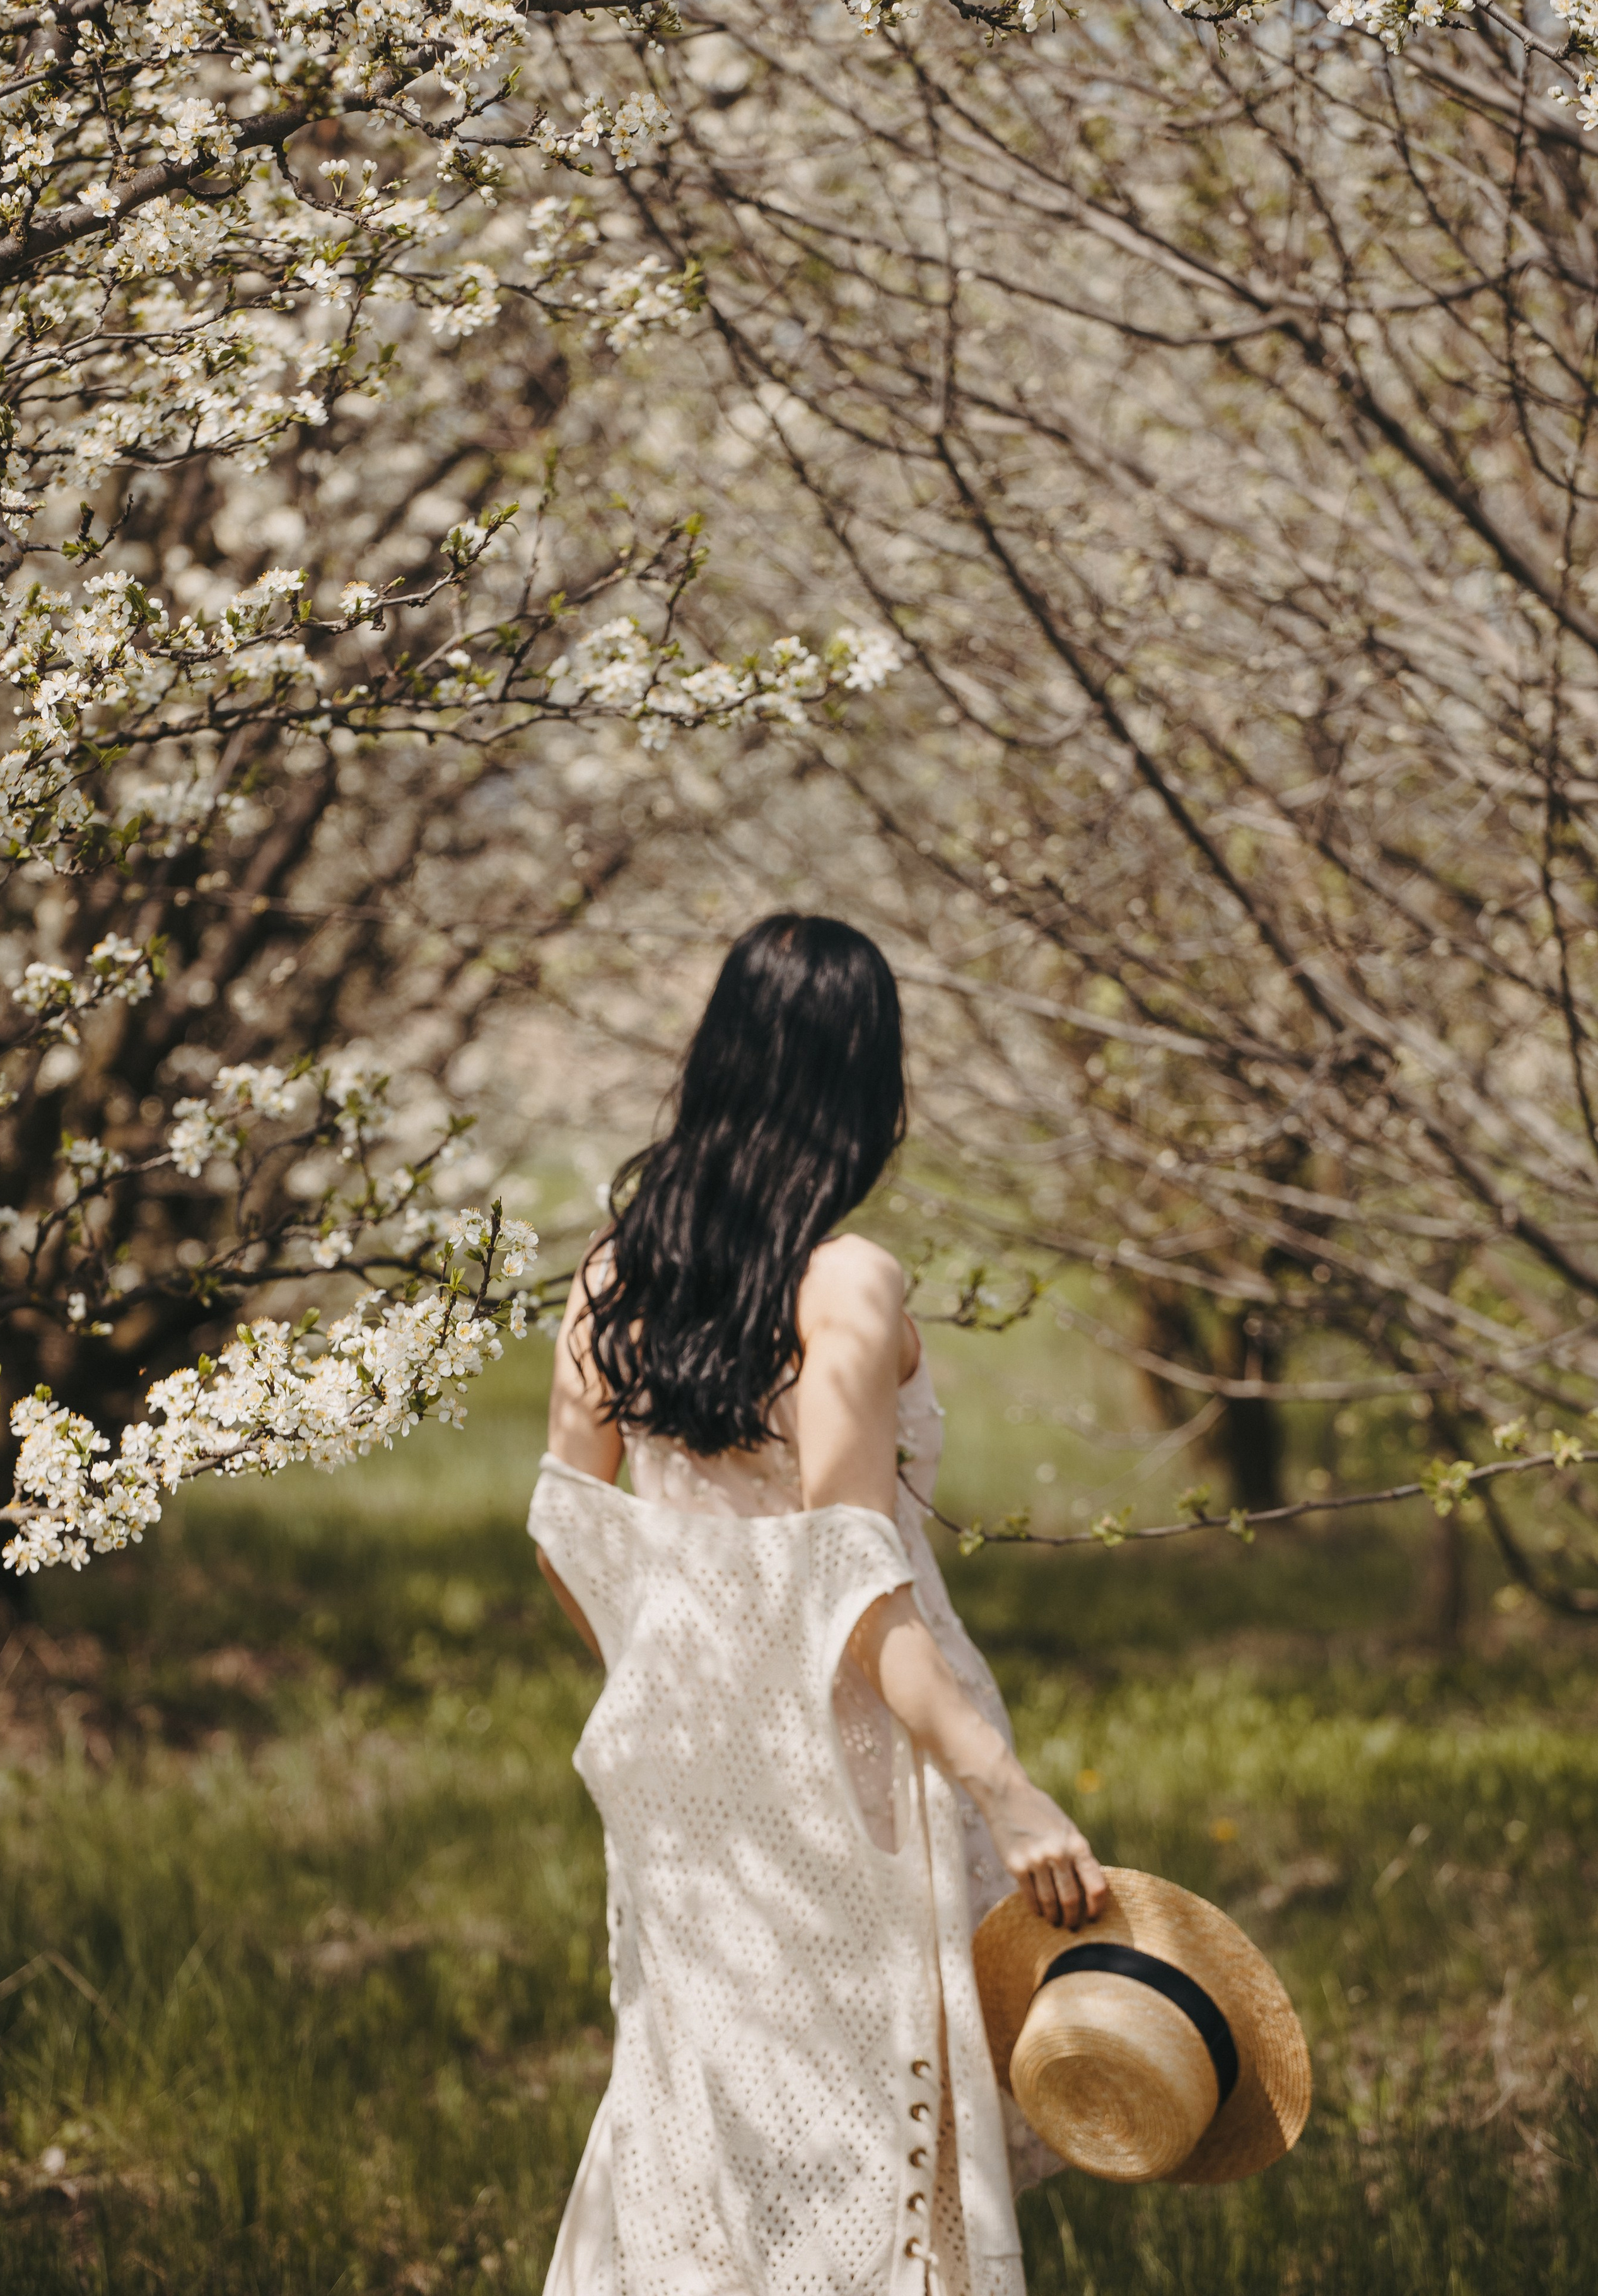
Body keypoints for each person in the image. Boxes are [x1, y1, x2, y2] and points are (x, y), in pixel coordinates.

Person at [530, 912, 1107, 2296]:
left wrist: (678, 1672)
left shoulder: (615, 1273)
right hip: (844, 1764)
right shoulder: (845, 1280)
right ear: (863, 1087)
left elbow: (566, 1534)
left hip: (676, 1759)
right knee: (861, 2124)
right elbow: (854, 1586)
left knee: (701, 2101)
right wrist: (1001, 1786)